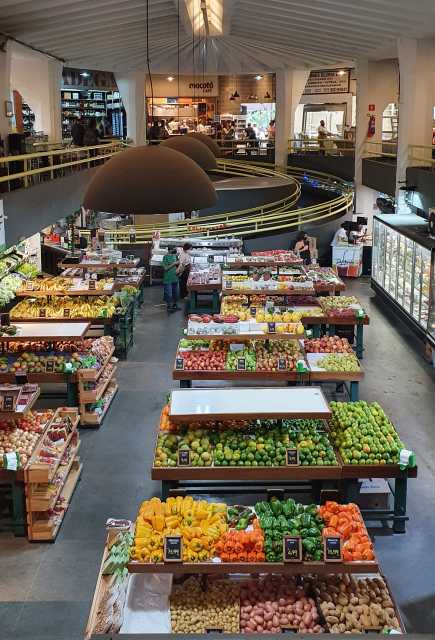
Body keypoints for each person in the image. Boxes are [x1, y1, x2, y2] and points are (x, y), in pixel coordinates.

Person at [162, 246, 180, 312]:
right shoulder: (165, 257)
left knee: (176, 293)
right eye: (173, 250)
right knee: (168, 294)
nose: (175, 251)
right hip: (168, 278)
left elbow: (178, 265)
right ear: (169, 250)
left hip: (175, 277)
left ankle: (175, 305)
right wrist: (174, 263)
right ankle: (169, 306)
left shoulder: (175, 256)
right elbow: (165, 268)